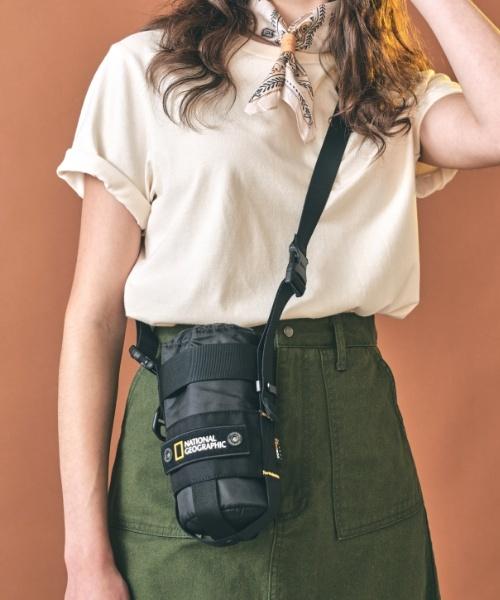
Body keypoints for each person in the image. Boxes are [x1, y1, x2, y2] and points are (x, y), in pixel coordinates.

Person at [55, 1, 500, 599]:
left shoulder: (390, 87)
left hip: (351, 437)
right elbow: (94, 315)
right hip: (192, 424)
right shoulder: (146, 68)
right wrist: (84, 559)